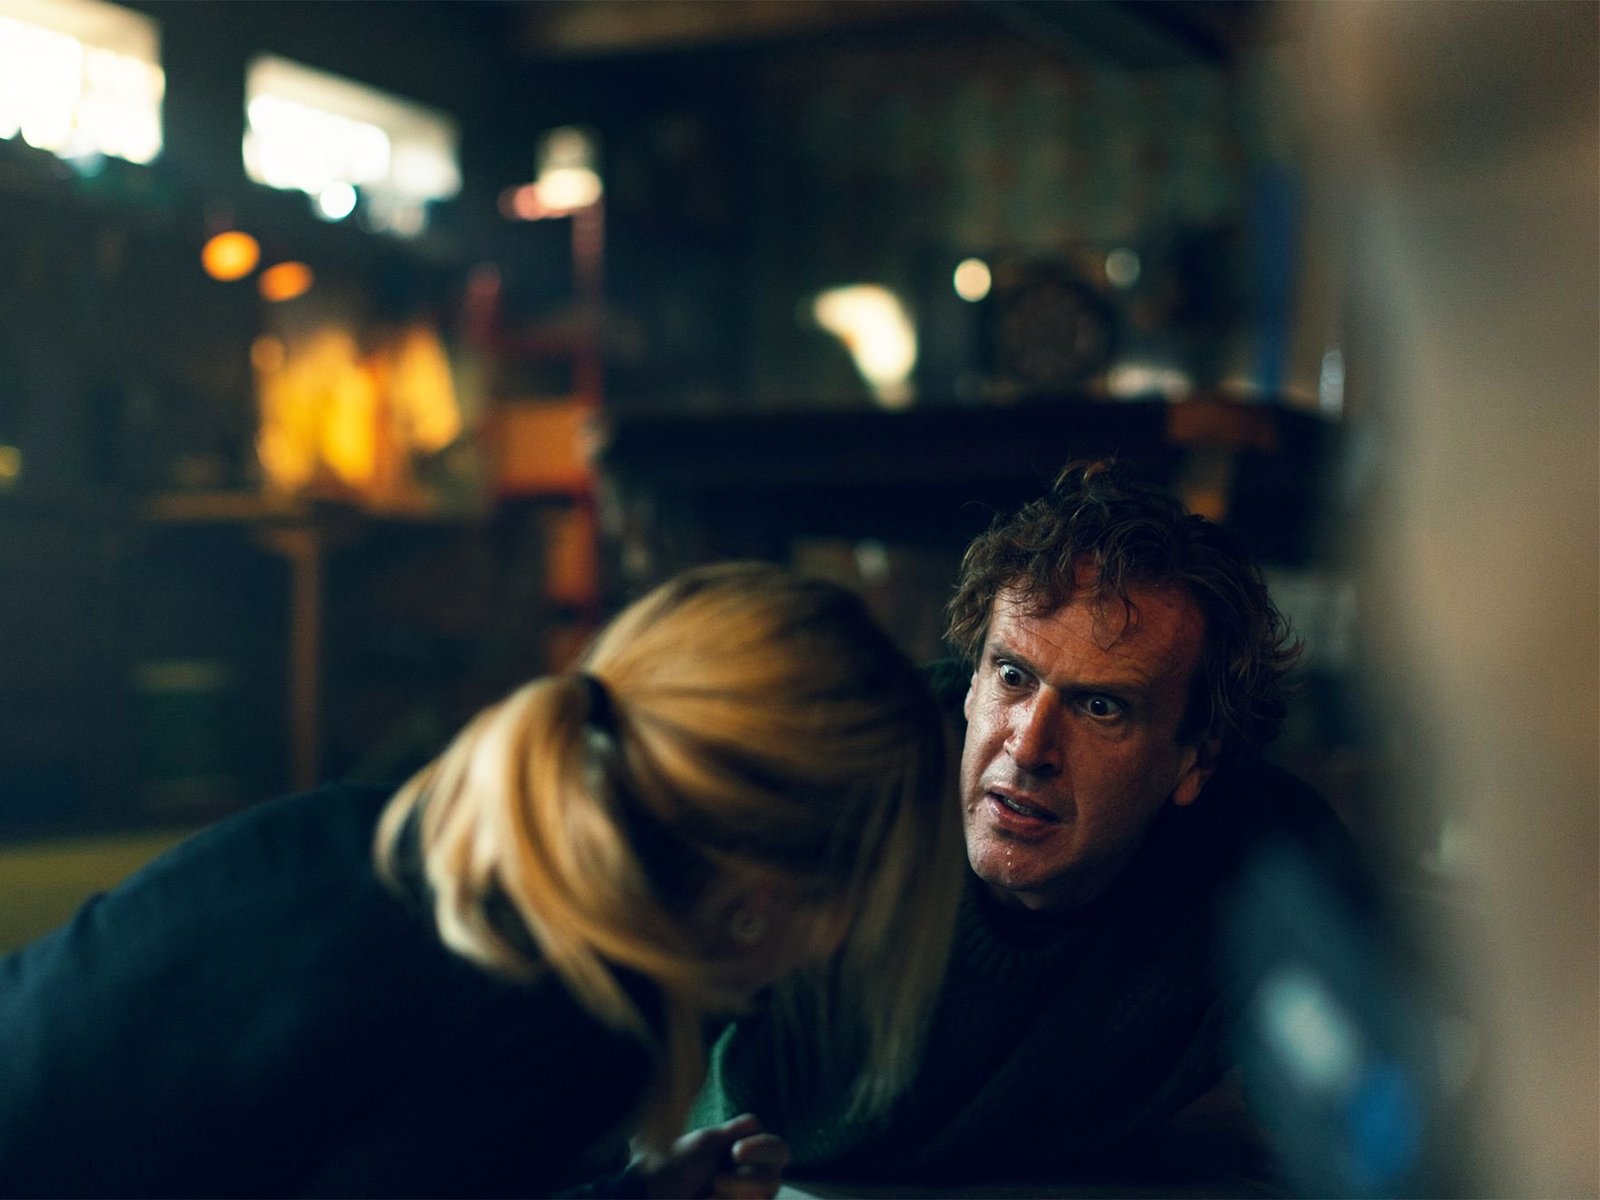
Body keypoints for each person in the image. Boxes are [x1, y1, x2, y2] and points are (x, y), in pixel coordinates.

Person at [0, 562, 964, 1198]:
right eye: (876, 893)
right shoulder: (565, 1017)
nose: (846, 940)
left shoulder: (395, 838)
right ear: (765, 895)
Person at [694, 460, 1371, 1186]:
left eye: (1100, 707)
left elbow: (1391, 1117)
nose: (1027, 748)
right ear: (972, 683)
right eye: (1013, 676)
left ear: (1195, 761)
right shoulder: (851, 769)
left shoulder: (1268, 860)